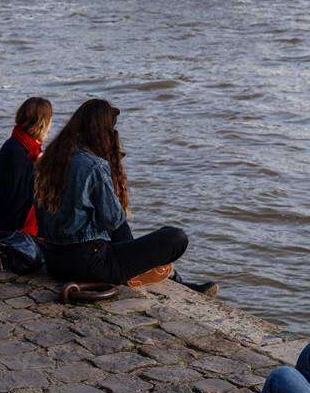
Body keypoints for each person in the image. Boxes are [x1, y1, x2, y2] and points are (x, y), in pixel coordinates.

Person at [34, 99, 210, 293]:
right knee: (175, 237)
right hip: (89, 264)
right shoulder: (94, 166)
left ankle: (167, 276)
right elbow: (112, 220)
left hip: (54, 262)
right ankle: (160, 275)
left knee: (121, 236)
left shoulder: (48, 159)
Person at [0, 97, 53, 237]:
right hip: (12, 225)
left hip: (2, 219)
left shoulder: (19, 144)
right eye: (50, 120)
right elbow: (20, 199)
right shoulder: (20, 153)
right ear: (43, 123)